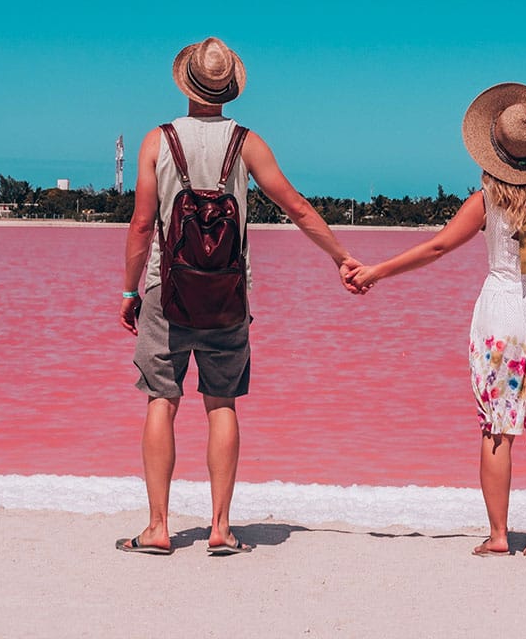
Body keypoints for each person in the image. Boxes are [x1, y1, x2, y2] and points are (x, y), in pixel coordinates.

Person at [116, 37, 360, 556]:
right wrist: (340, 256)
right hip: (228, 293)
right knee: (220, 402)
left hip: (166, 288)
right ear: (228, 88)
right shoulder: (246, 143)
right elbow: (295, 205)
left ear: (185, 82)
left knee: (163, 399)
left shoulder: (156, 141)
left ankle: (158, 528)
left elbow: (141, 225)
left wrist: (129, 290)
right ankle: (221, 529)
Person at [347, 83, 526, 558]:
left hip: (500, 313)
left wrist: (376, 272)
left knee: (498, 427)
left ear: (495, 149)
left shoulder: (486, 200)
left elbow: (438, 246)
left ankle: (499, 536)